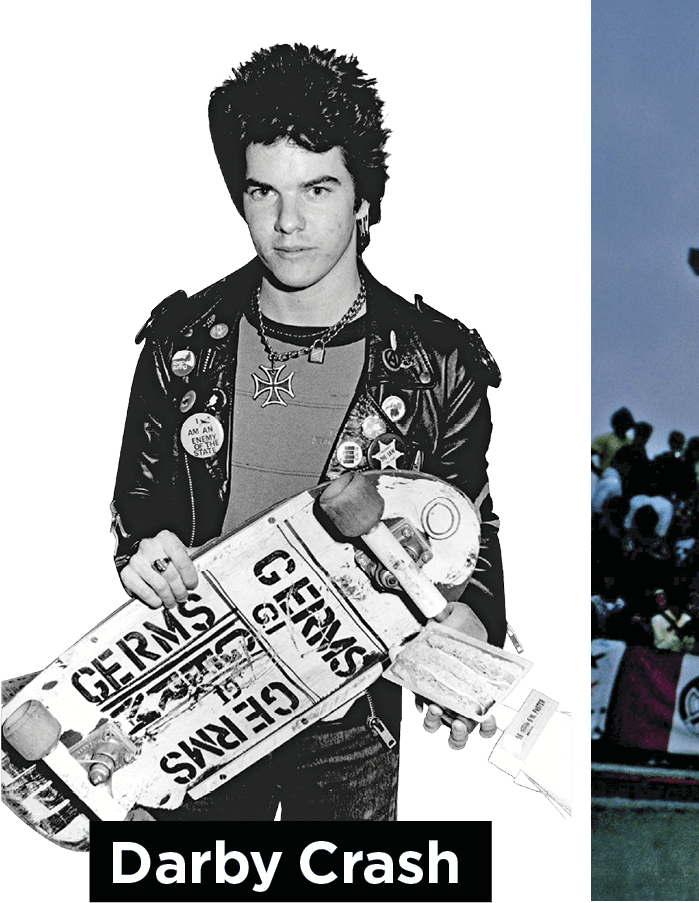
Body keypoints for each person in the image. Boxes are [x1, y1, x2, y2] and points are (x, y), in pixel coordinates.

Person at [111, 44, 503, 822]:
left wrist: (475, 624)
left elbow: (474, 529)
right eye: (264, 191)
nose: (287, 225)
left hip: (349, 727)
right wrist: (139, 554)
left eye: (318, 188)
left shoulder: (440, 361)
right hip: (198, 710)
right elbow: (137, 502)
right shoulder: (180, 340)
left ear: (363, 202)